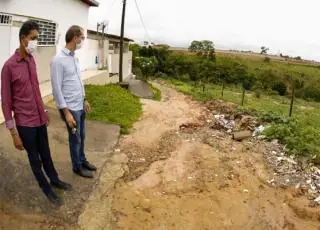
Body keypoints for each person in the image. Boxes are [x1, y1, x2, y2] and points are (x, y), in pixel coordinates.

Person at [1, 20, 71, 206]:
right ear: (23, 38)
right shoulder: (9, 67)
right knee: (35, 159)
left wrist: (44, 111)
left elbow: (36, 90)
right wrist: (13, 133)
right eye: (33, 38)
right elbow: (6, 103)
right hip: (25, 124)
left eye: (37, 39)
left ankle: (55, 180)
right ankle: (46, 189)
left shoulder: (31, 61)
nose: (36, 42)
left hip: (40, 119)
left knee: (46, 153)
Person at [50, 25, 97, 179]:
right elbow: (56, 89)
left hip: (80, 105)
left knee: (81, 136)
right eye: (82, 38)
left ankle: (82, 161)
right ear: (74, 37)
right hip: (70, 108)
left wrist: (84, 99)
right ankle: (77, 166)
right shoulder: (58, 60)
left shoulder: (74, 58)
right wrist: (66, 112)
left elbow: (78, 81)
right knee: (75, 139)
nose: (82, 41)